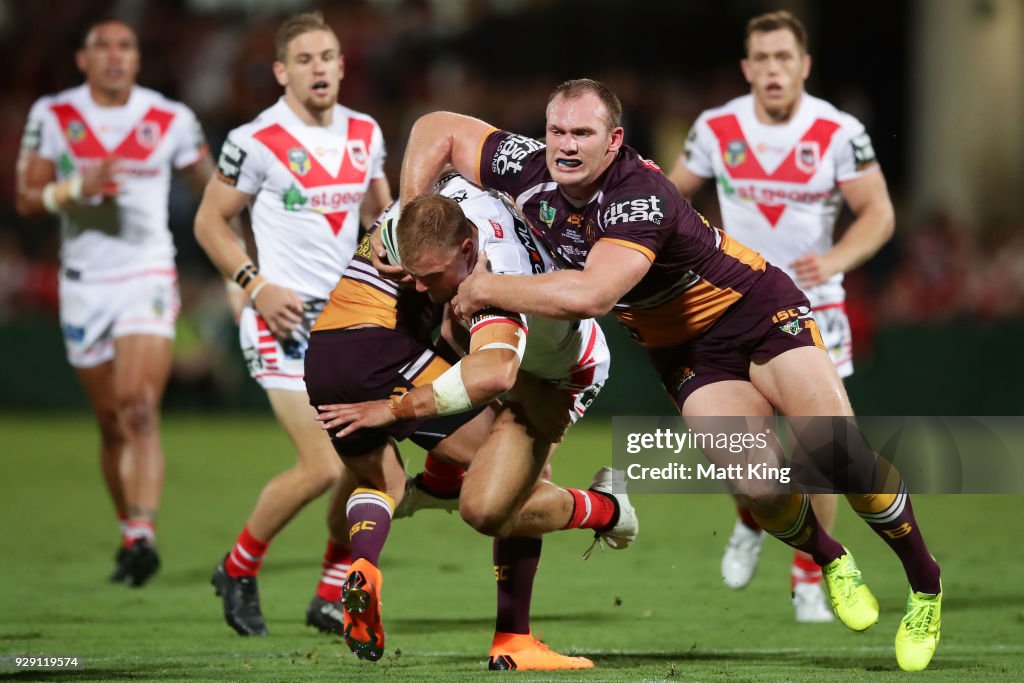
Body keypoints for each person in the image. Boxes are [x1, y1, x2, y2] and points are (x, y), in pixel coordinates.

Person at [394, 78, 942, 671]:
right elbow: (436, 129)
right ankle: (830, 556)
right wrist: (408, 218)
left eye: (583, 133)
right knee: (761, 491)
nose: (567, 145)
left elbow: (593, 293)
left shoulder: (637, 194)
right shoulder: (527, 166)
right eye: (557, 131)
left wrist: (485, 287)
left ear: (614, 141)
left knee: (837, 454)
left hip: (755, 310)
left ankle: (925, 584)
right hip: (688, 355)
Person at [312, 173, 637, 670]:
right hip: (388, 349)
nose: (416, 283)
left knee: (384, 483)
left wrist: (396, 407)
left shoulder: (487, 271)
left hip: (324, 357)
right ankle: (598, 519)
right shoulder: (438, 232)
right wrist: (395, 405)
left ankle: (363, 565)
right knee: (510, 489)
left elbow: (492, 370)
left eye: (428, 275)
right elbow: (486, 370)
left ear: (467, 247)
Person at [666, 10, 896, 623]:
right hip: (731, 308)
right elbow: (667, 195)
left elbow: (877, 212)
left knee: (822, 450)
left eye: (784, 58)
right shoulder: (716, 128)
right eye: (762, 59)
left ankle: (811, 578)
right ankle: (749, 518)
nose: (773, 69)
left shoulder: (839, 131)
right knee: (750, 451)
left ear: (804, 66)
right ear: (747, 68)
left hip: (813, 307)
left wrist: (838, 257)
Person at [193, 11, 392, 637]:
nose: (320, 68)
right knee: (324, 466)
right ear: (281, 71)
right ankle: (238, 566)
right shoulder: (256, 139)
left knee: (373, 469)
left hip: (347, 326)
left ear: (341, 62)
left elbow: (382, 218)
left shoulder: (364, 132)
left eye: (328, 56)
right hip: (281, 323)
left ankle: (330, 594)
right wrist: (254, 286)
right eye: (305, 59)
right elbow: (209, 221)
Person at [15, 19, 215, 587]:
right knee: (109, 423)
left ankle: (144, 533)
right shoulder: (54, 116)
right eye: (101, 46)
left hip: (146, 273)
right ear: (81, 59)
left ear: (137, 57)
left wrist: (235, 255)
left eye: (125, 45)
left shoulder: (168, 118)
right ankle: (129, 529)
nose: (114, 55)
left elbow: (213, 189)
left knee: (138, 407)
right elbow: (27, 198)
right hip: (83, 283)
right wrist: (76, 188)